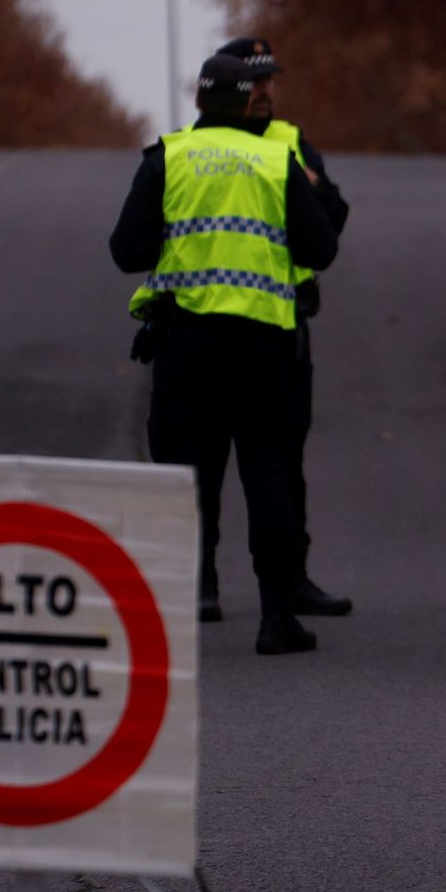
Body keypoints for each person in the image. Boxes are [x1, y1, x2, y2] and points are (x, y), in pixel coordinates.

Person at [109, 53, 338, 654]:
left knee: (187, 476)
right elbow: (322, 244)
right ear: (247, 104)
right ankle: (276, 617)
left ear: (200, 102)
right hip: (263, 344)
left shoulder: (170, 156)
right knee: (267, 473)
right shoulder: (274, 160)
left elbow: (126, 250)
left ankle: (193, 597)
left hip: (186, 345)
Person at [193, 36, 354, 623]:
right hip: (207, 323)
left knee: (284, 462)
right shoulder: (196, 150)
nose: (263, 92)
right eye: (252, 82)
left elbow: (332, 218)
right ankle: (201, 580)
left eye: (268, 81)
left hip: (283, 323)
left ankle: (291, 579)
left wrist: (311, 191)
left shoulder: (291, 142)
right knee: (205, 462)